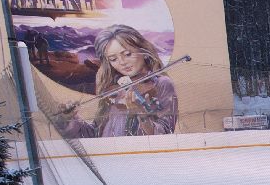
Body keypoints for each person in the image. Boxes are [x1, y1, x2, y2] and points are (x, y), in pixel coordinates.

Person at [50, 24, 178, 140]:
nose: (122, 62)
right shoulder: (112, 90)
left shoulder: (162, 84)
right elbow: (96, 134)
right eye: (113, 59)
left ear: (144, 52)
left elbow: (165, 134)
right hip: (110, 155)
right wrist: (69, 119)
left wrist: (141, 114)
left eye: (127, 54)